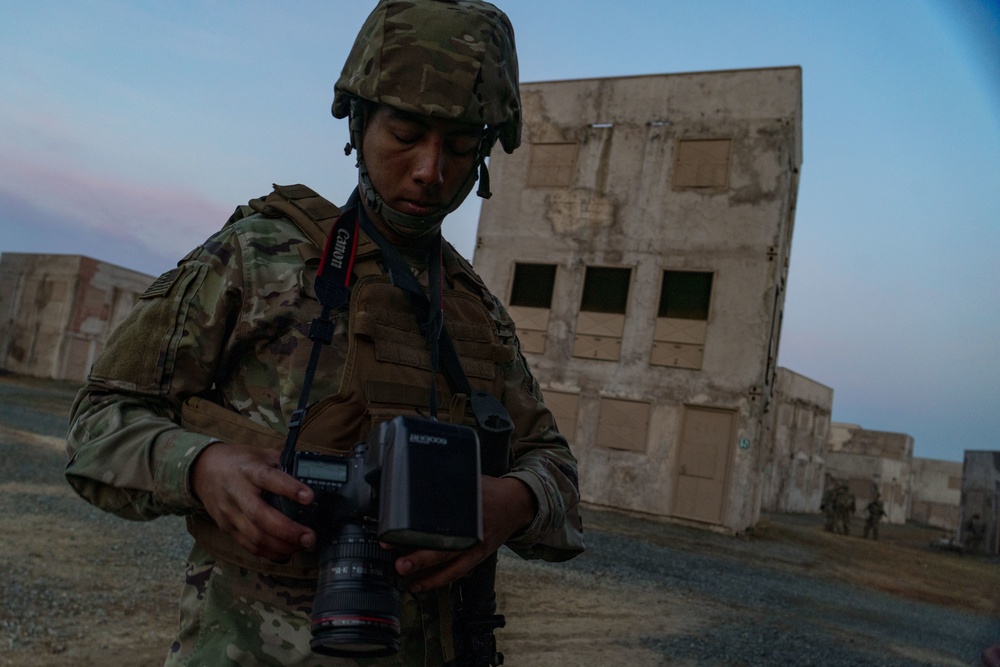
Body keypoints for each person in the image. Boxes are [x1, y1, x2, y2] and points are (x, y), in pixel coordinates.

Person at [64, 2, 585, 665]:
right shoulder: (258, 258)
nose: (431, 170)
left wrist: (515, 500)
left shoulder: (474, 312)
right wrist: (198, 466)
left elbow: (555, 466)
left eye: (460, 146)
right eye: (407, 133)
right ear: (361, 122)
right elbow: (96, 422)